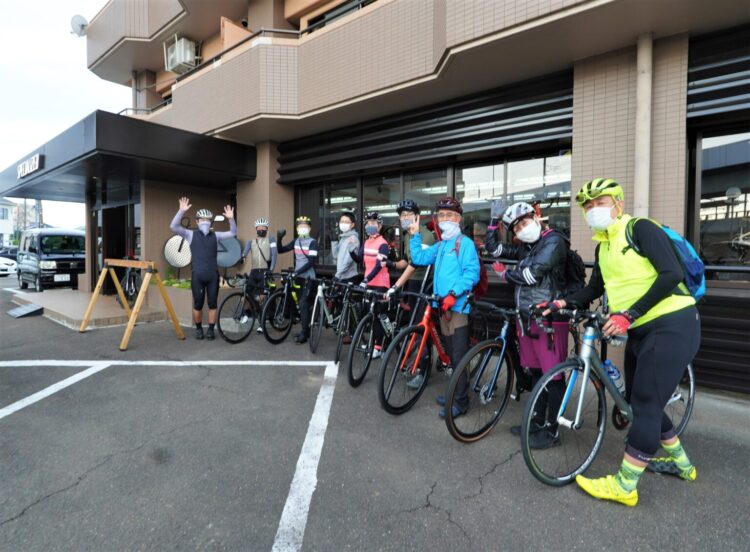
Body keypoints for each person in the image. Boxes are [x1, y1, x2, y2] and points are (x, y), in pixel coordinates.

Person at [542, 178, 701, 507]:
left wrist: (629, 314)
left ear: (618, 204)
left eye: (599, 203)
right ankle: (683, 465)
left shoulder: (641, 228)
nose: (592, 210)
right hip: (642, 329)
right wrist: (562, 303)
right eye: (587, 206)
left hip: (673, 322)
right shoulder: (603, 247)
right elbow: (593, 291)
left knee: (644, 403)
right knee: (640, 398)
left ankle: (625, 486)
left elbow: (671, 274)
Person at [485, 200, 569, 448]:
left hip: (550, 319)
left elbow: (533, 274)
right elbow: (495, 251)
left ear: (536, 216)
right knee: (535, 373)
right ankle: (537, 421)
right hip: (527, 318)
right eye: (516, 227)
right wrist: (494, 221)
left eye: (524, 222)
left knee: (552, 376)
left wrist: (503, 274)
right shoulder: (527, 248)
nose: (522, 228)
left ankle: (552, 430)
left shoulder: (554, 242)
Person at [407, 197, 480, 419]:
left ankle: (460, 402)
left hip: (458, 308)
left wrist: (453, 294)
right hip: (442, 307)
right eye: (441, 215)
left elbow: (472, 274)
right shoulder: (441, 245)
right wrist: (414, 234)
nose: (445, 219)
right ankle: (454, 393)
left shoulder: (464, 243)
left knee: (459, 356)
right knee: (449, 354)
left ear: (458, 219)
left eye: (449, 215)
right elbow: (418, 258)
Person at [385, 199, 435, 388]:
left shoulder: (426, 236)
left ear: (417, 216)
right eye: (402, 216)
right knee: (415, 323)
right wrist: (392, 264)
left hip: (425, 283)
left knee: (421, 328)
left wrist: (396, 285)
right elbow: (406, 261)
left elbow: (415, 265)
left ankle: (423, 371)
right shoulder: (408, 235)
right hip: (413, 284)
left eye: (408, 215)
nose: (405, 218)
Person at [170, 197, 236, 340]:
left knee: (212, 303)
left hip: (213, 275)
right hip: (198, 275)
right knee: (198, 304)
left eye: (207, 219)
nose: (205, 221)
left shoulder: (216, 235)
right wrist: (181, 211)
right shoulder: (190, 234)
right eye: (202, 219)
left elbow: (232, 233)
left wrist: (231, 219)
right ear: (197, 222)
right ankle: (199, 328)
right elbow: (174, 227)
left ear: (210, 222)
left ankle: (211, 330)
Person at [349, 211, 391, 359]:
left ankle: (379, 347)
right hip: (369, 283)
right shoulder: (366, 242)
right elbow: (359, 258)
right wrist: (351, 252)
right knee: (369, 314)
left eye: (373, 223)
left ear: (379, 226)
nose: (370, 226)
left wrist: (367, 280)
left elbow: (379, 265)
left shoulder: (383, 244)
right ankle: (374, 343)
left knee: (379, 315)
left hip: (380, 284)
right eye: (368, 223)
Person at [278, 215, 318, 344]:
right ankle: (304, 328)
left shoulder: (313, 242)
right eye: (300, 226)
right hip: (298, 277)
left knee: (303, 305)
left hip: (309, 278)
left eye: (305, 226)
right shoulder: (296, 241)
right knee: (300, 305)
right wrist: (279, 238)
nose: (302, 228)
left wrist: (297, 271)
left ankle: (305, 334)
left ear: (309, 228)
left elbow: (311, 262)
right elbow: (280, 250)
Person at [241, 217, 277, 333]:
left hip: (265, 271)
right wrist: (240, 258)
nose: (261, 229)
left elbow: (274, 255)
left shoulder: (271, 239)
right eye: (259, 228)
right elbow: (244, 253)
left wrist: (271, 269)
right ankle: (246, 314)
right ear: (256, 229)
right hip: (254, 271)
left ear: (266, 229)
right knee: (246, 293)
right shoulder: (250, 241)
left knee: (262, 297)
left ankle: (262, 322)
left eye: (263, 228)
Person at [334, 211, 360, 285]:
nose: (343, 223)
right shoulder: (343, 238)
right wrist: (333, 241)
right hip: (341, 276)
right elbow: (335, 255)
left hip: (349, 277)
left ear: (352, 225)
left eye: (346, 222)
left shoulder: (353, 239)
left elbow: (348, 261)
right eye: (342, 221)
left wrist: (337, 275)